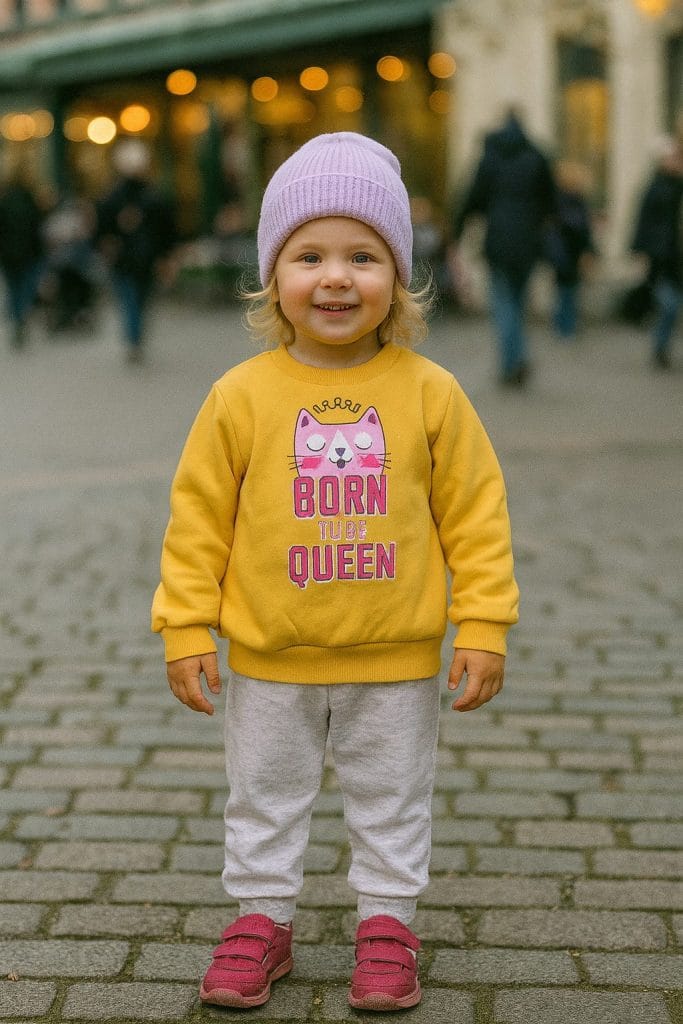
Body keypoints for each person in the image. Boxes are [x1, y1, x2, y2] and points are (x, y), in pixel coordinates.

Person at [151, 132, 519, 1012]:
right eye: (309, 255)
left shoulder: (430, 392)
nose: (336, 278)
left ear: (398, 277)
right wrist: (184, 623)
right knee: (263, 797)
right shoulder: (240, 395)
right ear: (272, 276)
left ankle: (388, 925)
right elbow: (198, 519)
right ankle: (261, 919)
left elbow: (475, 514)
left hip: (394, 658)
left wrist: (483, 622)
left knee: (392, 798)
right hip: (270, 657)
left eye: (363, 256)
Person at [451, 108, 556, 385]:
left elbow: (472, 198)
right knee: (518, 302)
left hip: (498, 240)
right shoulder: (537, 156)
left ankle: (511, 362)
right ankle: (517, 357)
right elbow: (551, 202)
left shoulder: (491, 157)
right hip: (529, 242)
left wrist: (458, 231)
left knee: (503, 302)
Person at [95, 139, 176, 362]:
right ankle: (134, 338)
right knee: (136, 300)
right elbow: (166, 231)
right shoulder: (152, 196)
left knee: (134, 300)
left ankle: (134, 337)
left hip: (132, 259)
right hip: (138, 259)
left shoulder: (115, 197)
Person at [631, 135, 683, 370]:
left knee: (670, 304)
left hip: (674, 256)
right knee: (669, 304)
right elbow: (643, 219)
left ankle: (661, 346)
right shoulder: (657, 187)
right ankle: (660, 347)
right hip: (663, 256)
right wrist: (640, 250)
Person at [545, 160, 596, 342]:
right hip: (568, 253)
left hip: (564, 253)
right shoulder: (570, 202)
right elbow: (578, 228)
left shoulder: (560, 201)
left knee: (566, 292)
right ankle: (565, 326)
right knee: (567, 292)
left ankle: (563, 324)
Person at [0, 168, 45, 348]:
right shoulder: (30, 202)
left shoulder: (4, 203)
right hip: (27, 254)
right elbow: (37, 229)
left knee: (13, 289)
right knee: (25, 289)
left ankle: (16, 319)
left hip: (9, 256)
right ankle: (20, 317)